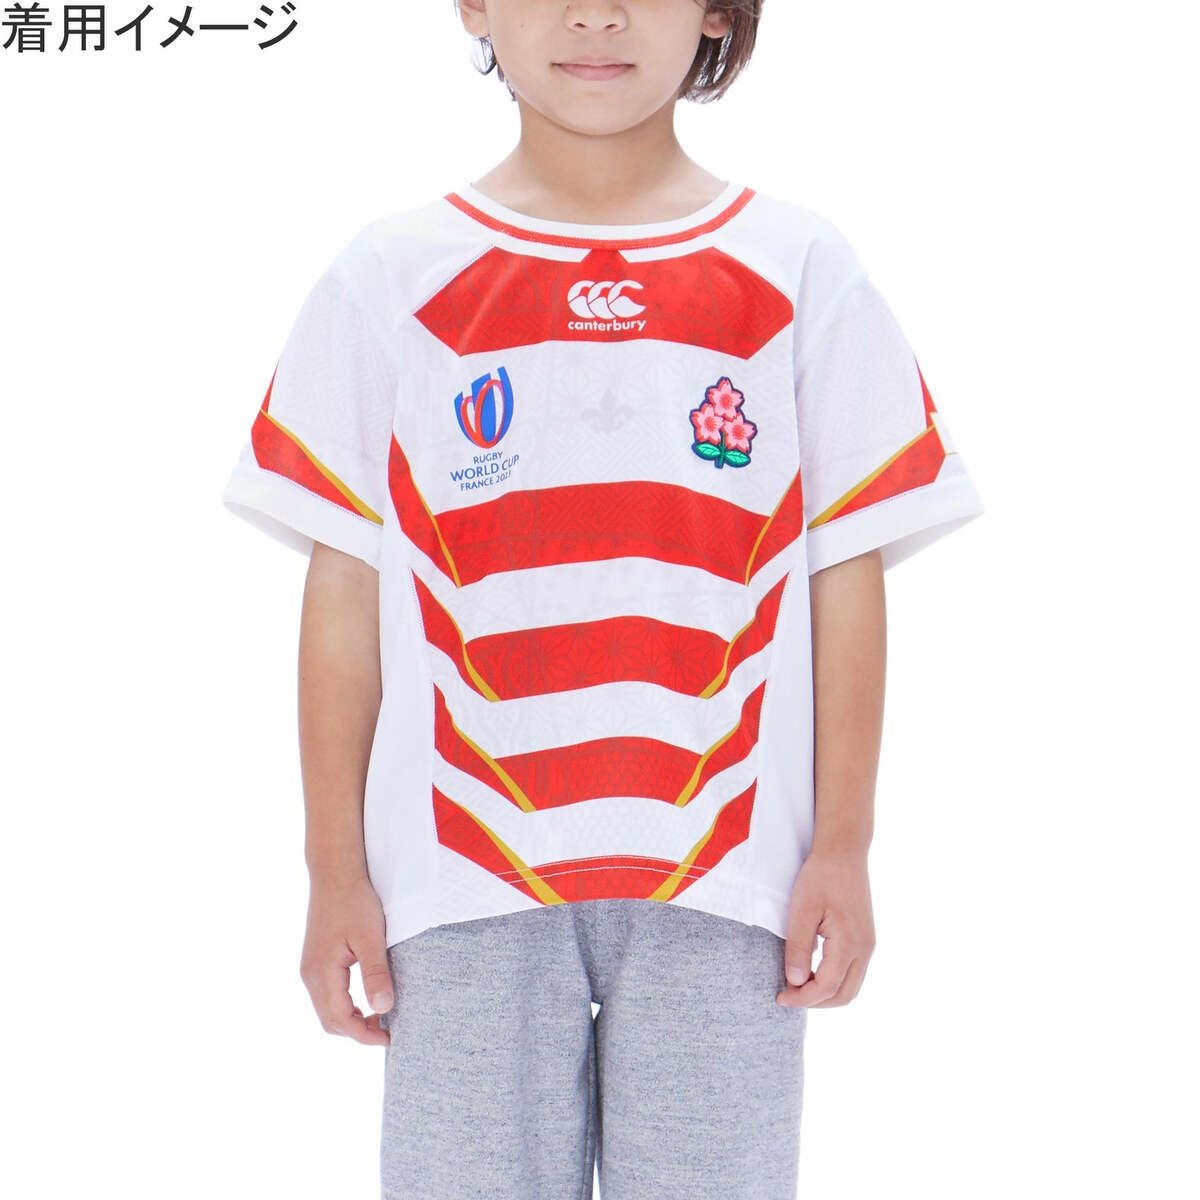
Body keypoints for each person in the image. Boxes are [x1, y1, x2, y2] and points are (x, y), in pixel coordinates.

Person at [220, 2, 985, 1196]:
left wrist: (844, 844)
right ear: (475, 5)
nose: (595, 15)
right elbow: (344, 592)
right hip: (461, 876)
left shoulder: (800, 271)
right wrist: (333, 871)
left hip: (728, 877)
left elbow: (845, 571)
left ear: (719, 12)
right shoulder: (391, 277)